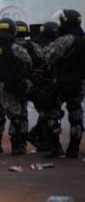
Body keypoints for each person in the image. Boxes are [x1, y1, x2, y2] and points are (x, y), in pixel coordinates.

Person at [0, 18, 32, 157]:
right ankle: (17, 147)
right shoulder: (15, 47)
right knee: (16, 116)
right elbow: (28, 63)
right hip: (8, 87)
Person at [44, 9, 85, 158]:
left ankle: (56, 147)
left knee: (52, 113)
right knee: (76, 114)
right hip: (79, 84)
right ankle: (73, 148)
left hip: (63, 82)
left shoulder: (66, 39)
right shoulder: (82, 39)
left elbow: (48, 56)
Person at [30, 21, 63, 156]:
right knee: (50, 116)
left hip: (41, 86)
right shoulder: (53, 48)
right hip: (48, 86)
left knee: (47, 115)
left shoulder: (35, 46)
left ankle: (41, 140)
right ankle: (52, 145)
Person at [14, 20, 47, 152]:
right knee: (46, 111)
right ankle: (41, 138)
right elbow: (44, 61)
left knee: (20, 114)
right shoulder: (33, 46)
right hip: (33, 84)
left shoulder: (9, 46)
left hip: (16, 85)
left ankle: (19, 144)